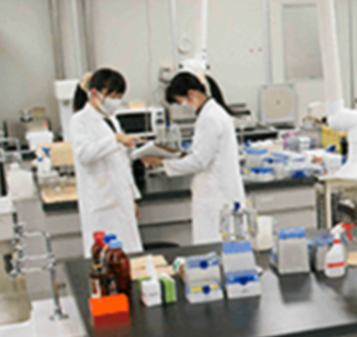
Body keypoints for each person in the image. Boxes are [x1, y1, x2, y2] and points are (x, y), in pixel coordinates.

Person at [143, 72, 245, 244]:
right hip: (218, 193)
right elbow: (204, 153)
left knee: (214, 246)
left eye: (180, 102)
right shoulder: (211, 113)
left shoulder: (210, 118)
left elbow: (199, 161)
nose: (182, 107)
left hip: (216, 197)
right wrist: (176, 155)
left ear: (191, 94)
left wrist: (162, 163)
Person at [71, 69, 143, 258]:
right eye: (113, 96)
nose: (116, 101)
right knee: (105, 259)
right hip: (101, 203)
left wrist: (132, 197)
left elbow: (122, 163)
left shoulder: (110, 120)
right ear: (95, 93)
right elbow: (83, 154)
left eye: (120, 97)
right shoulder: (80, 121)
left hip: (121, 200)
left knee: (129, 257)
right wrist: (115, 139)